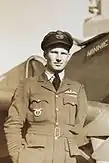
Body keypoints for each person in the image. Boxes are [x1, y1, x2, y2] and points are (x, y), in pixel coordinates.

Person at [4, 30, 89, 163]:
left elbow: (79, 128)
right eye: (54, 52)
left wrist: (71, 151)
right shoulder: (28, 85)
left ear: (68, 56)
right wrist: (18, 156)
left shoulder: (77, 89)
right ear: (45, 54)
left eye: (63, 53)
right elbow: (13, 123)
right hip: (33, 157)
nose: (59, 58)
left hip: (65, 158)